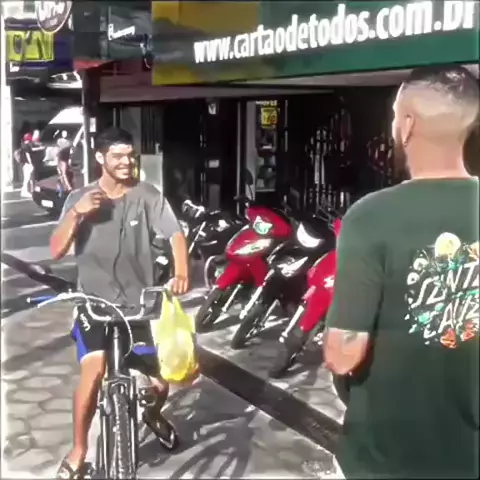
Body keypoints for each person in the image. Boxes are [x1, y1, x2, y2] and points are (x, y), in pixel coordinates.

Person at [324, 65, 479, 479]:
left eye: (394, 115)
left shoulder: (371, 216)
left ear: (407, 125)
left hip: (384, 460)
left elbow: (343, 353)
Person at [49, 127, 189, 479]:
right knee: (93, 373)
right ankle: (79, 450)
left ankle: (152, 414)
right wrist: (76, 213)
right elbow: (56, 250)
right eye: (117, 156)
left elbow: (175, 233)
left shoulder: (148, 195)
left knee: (160, 384)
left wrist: (182, 271)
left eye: (130, 155)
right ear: (100, 158)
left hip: (137, 306)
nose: (126, 162)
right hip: (94, 305)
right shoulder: (80, 197)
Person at [19, 133, 34, 197]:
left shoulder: (23, 145)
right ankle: (24, 192)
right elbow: (27, 154)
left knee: (26, 178)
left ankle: (24, 191)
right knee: (27, 178)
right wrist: (31, 163)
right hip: (27, 164)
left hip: (24, 164)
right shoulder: (27, 145)